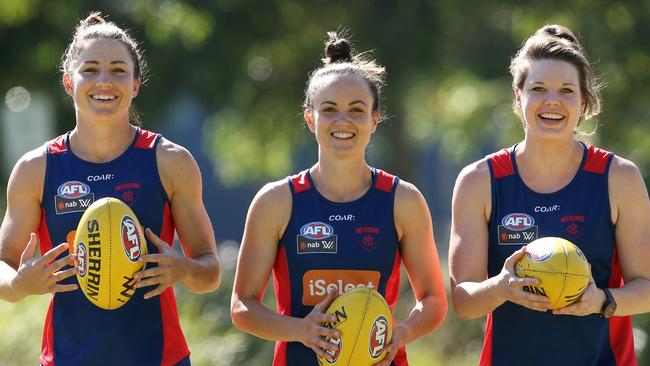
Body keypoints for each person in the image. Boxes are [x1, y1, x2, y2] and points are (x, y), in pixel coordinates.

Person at [0, 12, 221, 366]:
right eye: (90, 69)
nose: (104, 81)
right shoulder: (35, 168)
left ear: (135, 84)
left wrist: (184, 269)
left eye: (118, 70)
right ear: (69, 82)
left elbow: (209, 269)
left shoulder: (169, 161)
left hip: (160, 358)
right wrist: (18, 285)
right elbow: (3, 263)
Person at [230, 32, 447, 366]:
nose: (342, 121)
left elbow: (433, 300)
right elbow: (243, 306)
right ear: (310, 118)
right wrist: (302, 330)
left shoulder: (402, 200)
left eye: (356, 110)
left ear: (375, 120)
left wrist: (401, 333)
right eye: (329, 109)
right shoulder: (276, 201)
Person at [449, 24, 650, 366]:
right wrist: (501, 287)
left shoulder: (619, 178)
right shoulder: (479, 180)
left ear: (583, 101)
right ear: (518, 96)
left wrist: (601, 300)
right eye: (538, 88)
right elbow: (463, 301)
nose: (552, 101)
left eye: (566, 90)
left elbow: (646, 286)